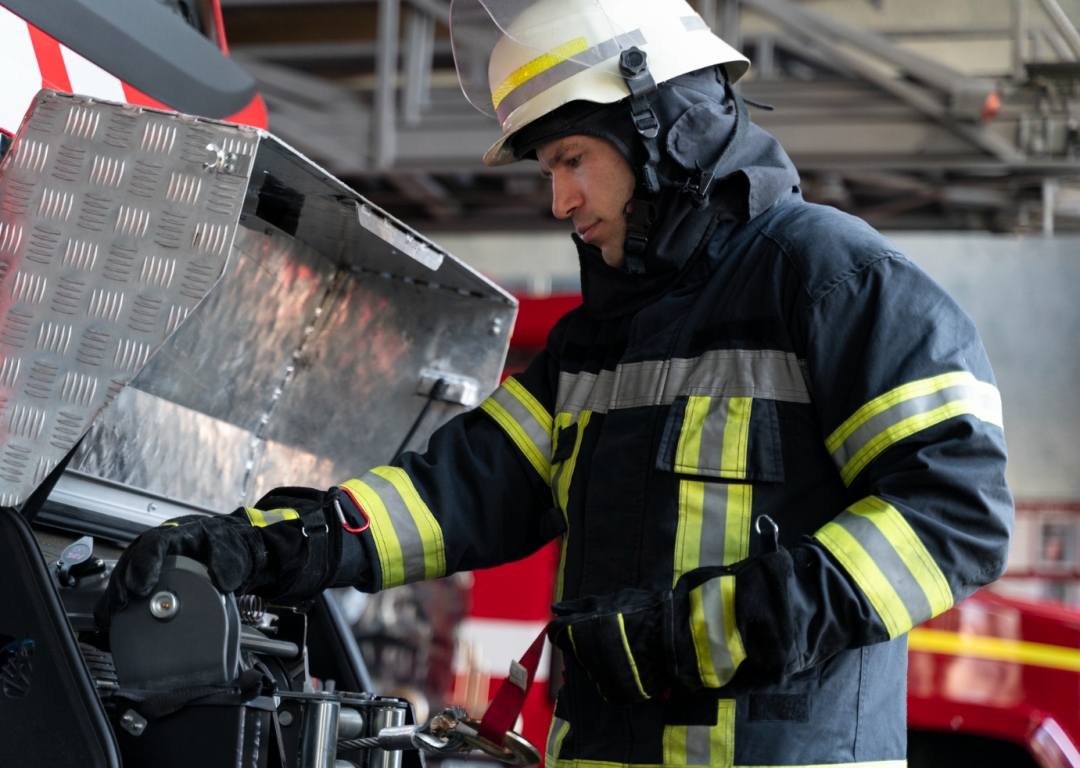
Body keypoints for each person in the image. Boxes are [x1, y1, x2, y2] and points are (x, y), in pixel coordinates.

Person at [97, 1, 1014, 765]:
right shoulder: (594, 345)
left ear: (664, 127)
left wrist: (708, 630)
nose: (560, 200)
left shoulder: (832, 281)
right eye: (550, 171)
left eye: (574, 159)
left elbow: (955, 511)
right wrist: (267, 544)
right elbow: (457, 492)